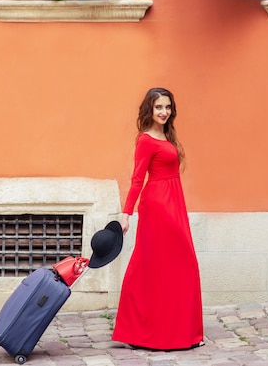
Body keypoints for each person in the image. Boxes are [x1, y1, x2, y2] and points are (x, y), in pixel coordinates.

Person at [112, 87, 204, 351]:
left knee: (174, 266)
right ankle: (143, 331)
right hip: (159, 207)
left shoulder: (166, 136)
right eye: (158, 107)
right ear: (149, 110)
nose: (164, 112)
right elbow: (138, 178)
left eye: (167, 107)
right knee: (155, 264)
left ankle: (179, 331)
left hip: (174, 202)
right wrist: (126, 213)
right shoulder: (146, 140)